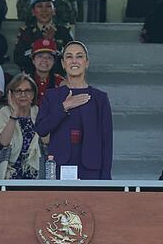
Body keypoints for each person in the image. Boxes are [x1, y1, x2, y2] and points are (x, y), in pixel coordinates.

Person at [35, 41, 113, 180]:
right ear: (63, 63)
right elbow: (41, 129)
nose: (74, 61)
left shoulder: (99, 98)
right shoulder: (52, 96)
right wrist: (63, 107)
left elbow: (106, 141)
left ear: (86, 63)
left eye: (79, 56)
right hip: (59, 165)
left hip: (91, 167)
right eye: (69, 57)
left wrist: (106, 177)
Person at [0, 74, 45, 179]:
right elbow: (3, 142)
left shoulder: (39, 113)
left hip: (35, 173)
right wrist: (14, 115)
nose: (23, 95)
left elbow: (46, 141)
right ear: (11, 94)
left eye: (27, 91)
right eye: (18, 91)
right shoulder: (3, 113)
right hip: (8, 174)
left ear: (33, 94)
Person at [13, 0, 73, 71]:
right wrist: (42, 43)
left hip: (58, 77)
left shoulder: (63, 32)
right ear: (33, 12)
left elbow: (71, 58)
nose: (44, 10)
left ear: (54, 11)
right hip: (31, 76)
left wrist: (53, 43)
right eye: (39, 6)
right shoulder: (26, 32)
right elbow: (18, 59)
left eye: (48, 6)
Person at [25, 38, 65, 106]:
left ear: (54, 61)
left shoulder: (60, 82)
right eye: (40, 56)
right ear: (33, 60)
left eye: (49, 57)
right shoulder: (24, 81)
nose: (44, 60)